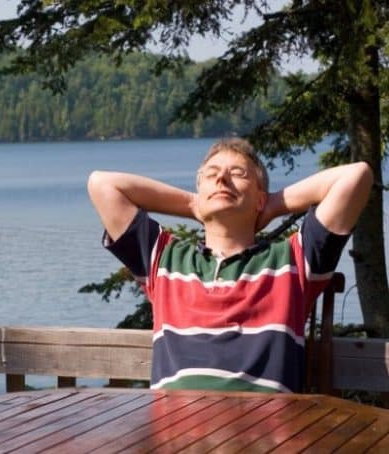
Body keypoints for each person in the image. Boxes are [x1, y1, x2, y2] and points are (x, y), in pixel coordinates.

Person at [87, 138, 372, 393]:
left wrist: (274, 205)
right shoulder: (163, 259)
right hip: (176, 430)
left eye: (238, 173)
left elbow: (356, 176)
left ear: (259, 199)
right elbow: (102, 185)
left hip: (266, 429)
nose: (222, 178)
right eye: (211, 174)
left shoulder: (294, 260)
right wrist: (192, 203)